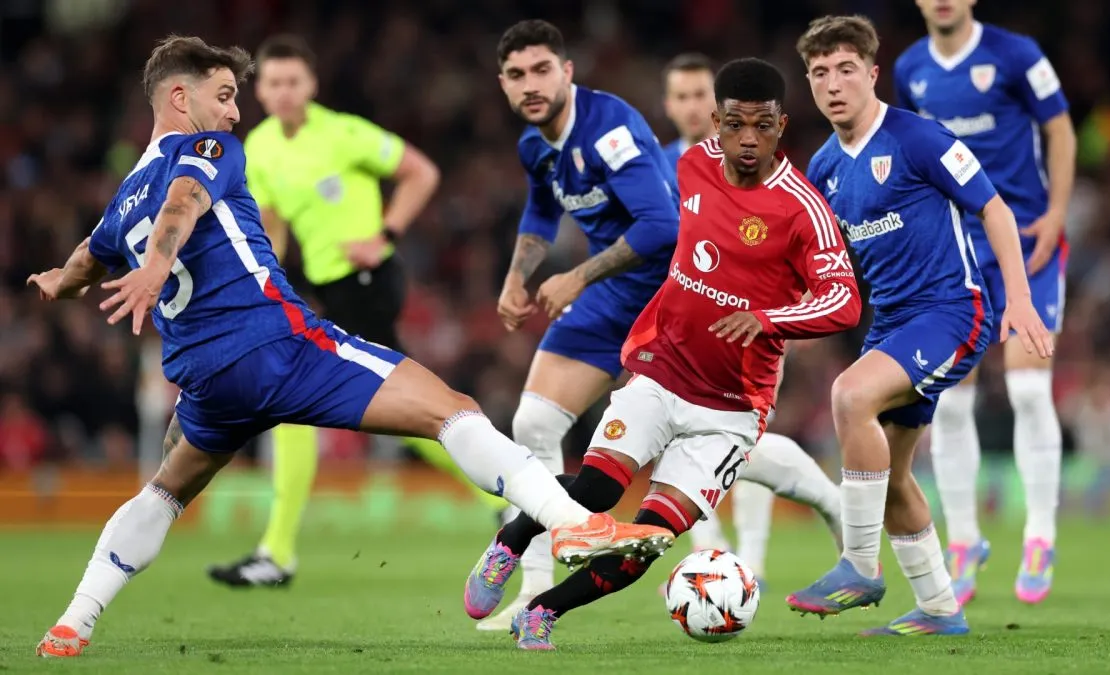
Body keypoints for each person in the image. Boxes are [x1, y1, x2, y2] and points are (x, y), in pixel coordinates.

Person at [30, 35, 674, 659]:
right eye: (224, 95)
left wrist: (59, 283)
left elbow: (87, 259)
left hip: (204, 378)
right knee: (451, 407)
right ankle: (574, 523)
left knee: (165, 491)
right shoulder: (208, 149)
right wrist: (155, 263)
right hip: (278, 345)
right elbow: (184, 201)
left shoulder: (119, 201)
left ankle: (73, 622)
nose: (234, 111)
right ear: (178, 98)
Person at [464, 57, 862, 650]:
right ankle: (508, 545)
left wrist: (767, 317)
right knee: (598, 490)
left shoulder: (802, 210)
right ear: (714, 122)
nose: (747, 139)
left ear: (782, 124)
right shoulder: (691, 165)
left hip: (730, 409)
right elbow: (641, 223)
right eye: (734, 124)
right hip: (661, 369)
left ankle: (542, 611)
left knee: (646, 543)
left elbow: (845, 302)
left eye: (761, 125)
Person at [202, 33, 506, 589]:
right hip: (325, 288)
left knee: (345, 404)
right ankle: (501, 492)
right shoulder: (261, 148)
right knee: (400, 408)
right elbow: (271, 224)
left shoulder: (343, 133)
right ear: (260, 91)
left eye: (295, 81)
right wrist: (266, 281)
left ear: (312, 85)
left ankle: (278, 552)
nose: (286, 91)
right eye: (274, 83)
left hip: (367, 281)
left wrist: (384, 234)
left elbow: (422, 172)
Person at [785, 15, 1053, 636]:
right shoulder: (823, 167)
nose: (833, 84)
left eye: (846, 69)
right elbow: (816, 261)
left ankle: (857, 565)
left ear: (873, 74)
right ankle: (938, 608)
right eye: (820, 72)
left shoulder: (919, 137)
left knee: (851, 396)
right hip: (893, 325)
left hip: (953, 311)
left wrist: (1019, 296)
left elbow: (995, 208)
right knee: (893, 476)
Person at [476, 18, 681, 630]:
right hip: (612, 296)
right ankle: (533, 576)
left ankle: (834, 506)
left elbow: (662, 227)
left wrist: (576, 277)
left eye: (542, 70)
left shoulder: (609, 127)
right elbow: (541, 209)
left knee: (710, 440)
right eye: (517, 75)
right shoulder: (534, 145)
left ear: (567, 72)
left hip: (674, 299)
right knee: (533, 420)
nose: (530, 84)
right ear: (504, 85)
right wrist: (517, 276)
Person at [894, 0, 1076, 605]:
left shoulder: (1016, 54)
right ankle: (965, 539)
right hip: (958, 252)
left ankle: (1041, 534)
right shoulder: (910, 69)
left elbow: (1060, 127)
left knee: (1027, 388)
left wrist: (1056, 212)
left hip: (1027, 241)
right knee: (946, 404)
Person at [656, 51, 843, 591]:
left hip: (744, 332)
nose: (692, 107)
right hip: (680, 327)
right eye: (684, 97)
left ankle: (743, 561)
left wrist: (776, 313)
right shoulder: (671, 166)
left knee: (733, 439)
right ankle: (717, 556)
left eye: (699, 94)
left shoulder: (767, 175)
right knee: (696, 442)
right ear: (675, 106)